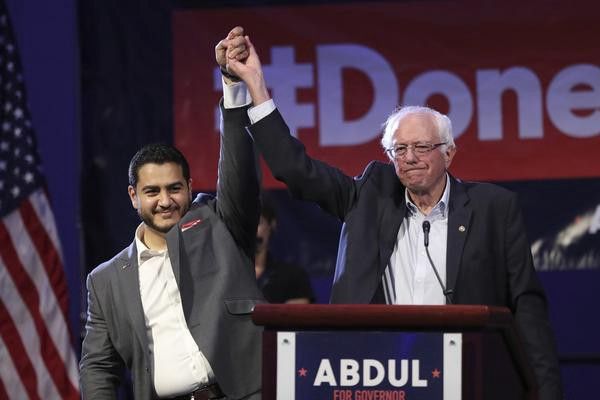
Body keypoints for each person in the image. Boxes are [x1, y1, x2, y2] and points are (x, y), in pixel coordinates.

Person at [218, 28, 563, 399]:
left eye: (421, 147)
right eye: (399, 149)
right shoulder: (369, 194)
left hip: (466, 376)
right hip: (377, 377)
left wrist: (544, 391)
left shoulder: (493, 208)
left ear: (449, 154)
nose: (410, 157)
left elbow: (527, 307)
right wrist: (254, 83)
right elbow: (293, 167)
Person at [79, 28, 264, 400]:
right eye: (152, 192)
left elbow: (239, 174)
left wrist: (233, 87)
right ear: (134, 196)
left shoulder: (219, 224)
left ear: (189, 188)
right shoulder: (106, 280)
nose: (165, 201)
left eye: (174, 188)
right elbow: (98, 366)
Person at [255, 197, 315, 304]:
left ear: (272, 225)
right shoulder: (227, 277)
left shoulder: (293, 277)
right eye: (246, 224)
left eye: (258, 223)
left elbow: (297, 318)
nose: (251, 231)